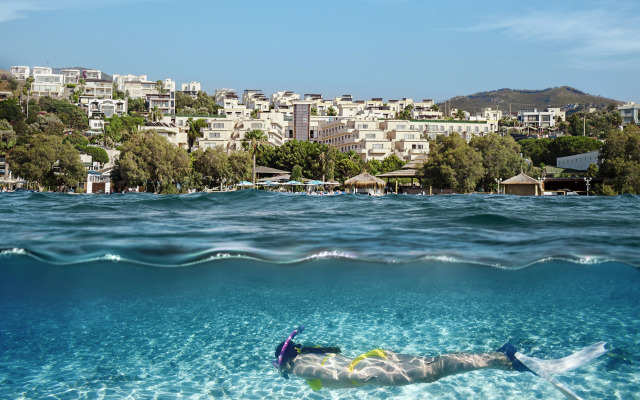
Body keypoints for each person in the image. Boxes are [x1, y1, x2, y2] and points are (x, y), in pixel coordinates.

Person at [273, 326, 607, 395]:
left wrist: (363, 379)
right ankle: (501, 358)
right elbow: (331, 365)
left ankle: (505, 358)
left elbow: (328, 375)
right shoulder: (308, 357)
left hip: (369, 370)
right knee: (433, 366)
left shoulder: (297, 366)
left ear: (287, 358)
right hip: (374, 359)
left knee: (432, 372)